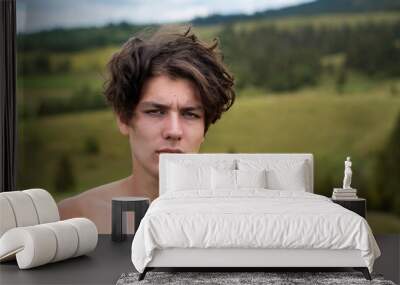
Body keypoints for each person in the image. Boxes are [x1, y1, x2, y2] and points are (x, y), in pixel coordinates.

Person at [58, 27, 236, 233]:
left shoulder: (234, 221)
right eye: (156, 111)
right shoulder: (75, 217)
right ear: (124, 118)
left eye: (190, 114)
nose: (174, 131)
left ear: (204, 128)